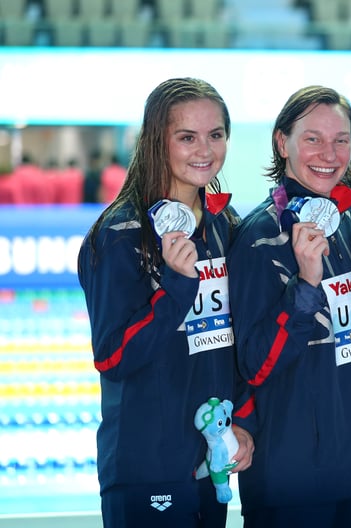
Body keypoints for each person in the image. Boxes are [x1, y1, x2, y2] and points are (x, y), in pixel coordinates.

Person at [77, 77, 254, 528]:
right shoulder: (120, 235)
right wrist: (175, 288)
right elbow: (113, 356)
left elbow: (235, 338)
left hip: (209, 459)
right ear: (158, 141)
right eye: (187, 137)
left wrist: (244, 420)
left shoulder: (223, 224)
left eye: (216, 135)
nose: (205, 150)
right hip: (146, 463)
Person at [227, 85, 351, 528]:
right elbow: (256, 365)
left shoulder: (345, 221)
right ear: (282, 142)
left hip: (348, 467)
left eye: (341, 140)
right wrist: (306, 284)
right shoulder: (259, 237)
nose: (328, 153)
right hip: (290, 476)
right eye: (312, 138)